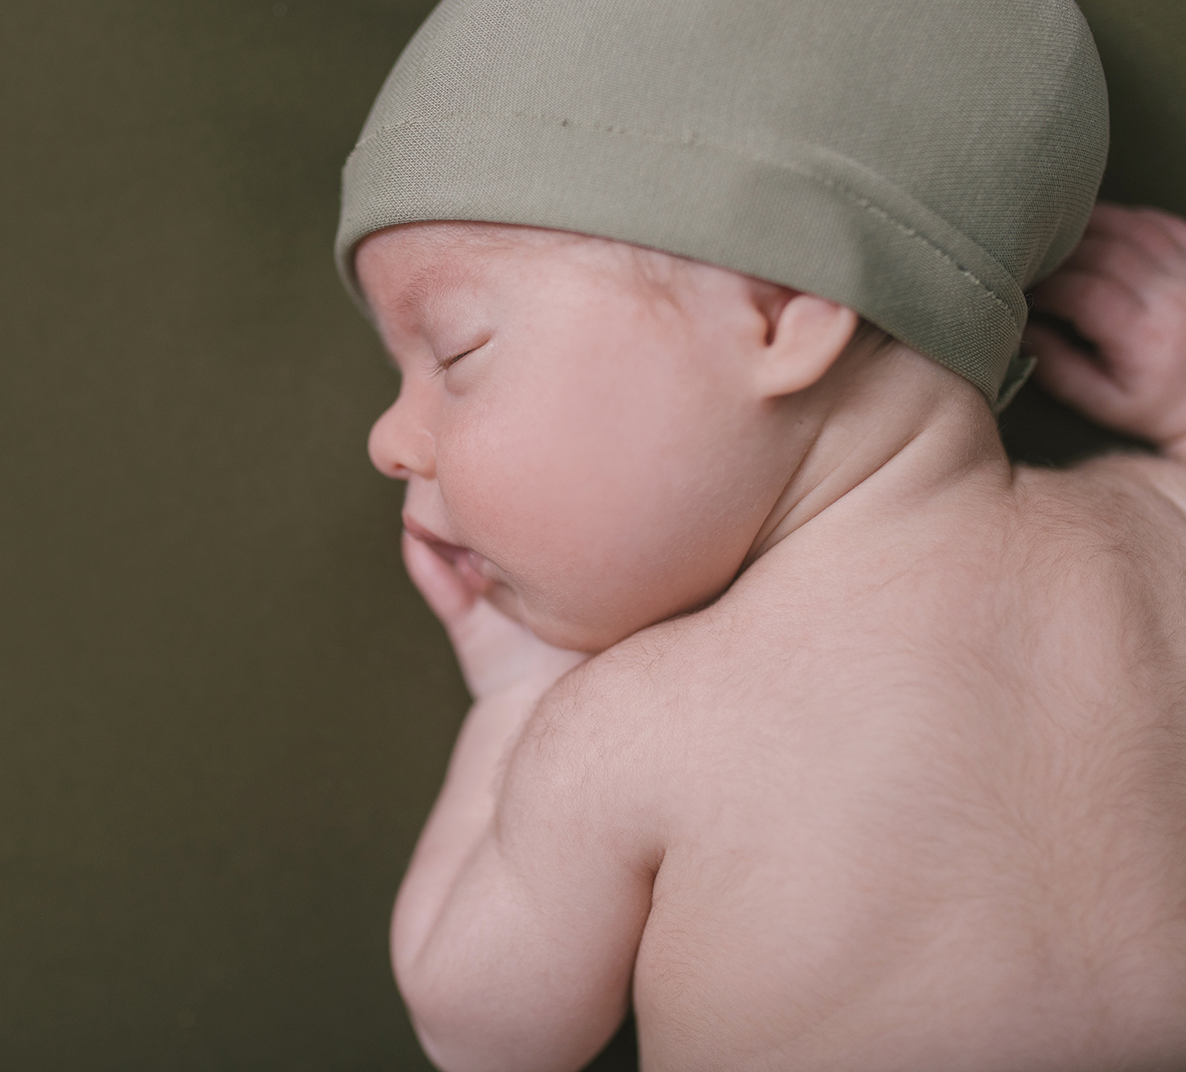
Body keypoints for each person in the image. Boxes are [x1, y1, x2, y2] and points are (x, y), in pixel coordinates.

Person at [335, 1, 1186, 1069]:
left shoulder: (625, 724)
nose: (387, 438)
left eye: (454, 355)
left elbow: (481, 1028)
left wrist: (516, 700)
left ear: (783, 312)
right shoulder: (1156, 527)